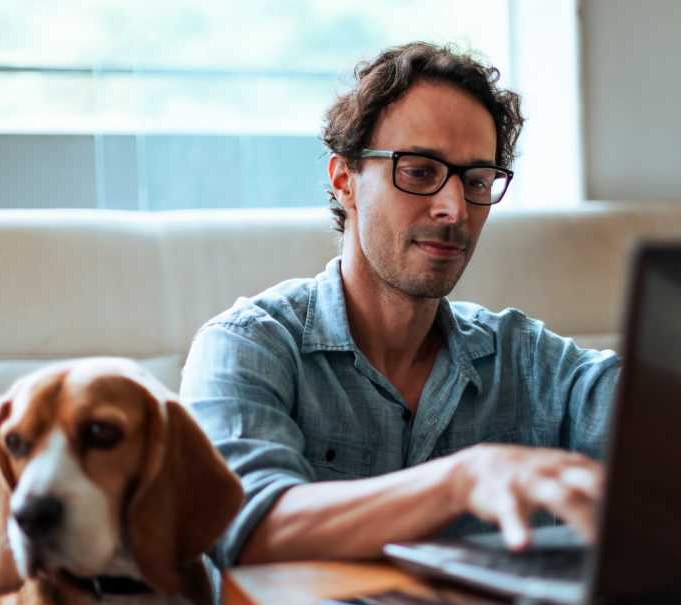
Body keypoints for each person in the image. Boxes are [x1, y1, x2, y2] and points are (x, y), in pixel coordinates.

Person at [179, 42, 620, 572]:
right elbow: (243, 526)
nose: (454, 208)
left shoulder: (522, 358)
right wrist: (464, 480)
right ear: (344, 181)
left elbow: (659, 411)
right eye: (418, 171)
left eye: (476, 181)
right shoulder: (247, 346)